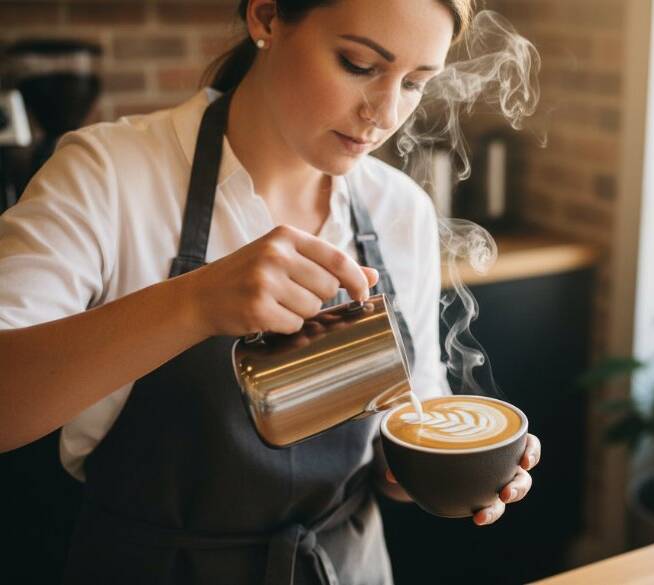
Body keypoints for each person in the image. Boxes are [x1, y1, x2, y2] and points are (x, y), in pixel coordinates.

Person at [0, 0, 542, 583]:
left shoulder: (398, 208)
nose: (384, 113)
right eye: (358, 64)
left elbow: (403, 423)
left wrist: (434, 468)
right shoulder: (106, 175)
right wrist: (194, 303)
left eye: (414, 83)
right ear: (265, 17)